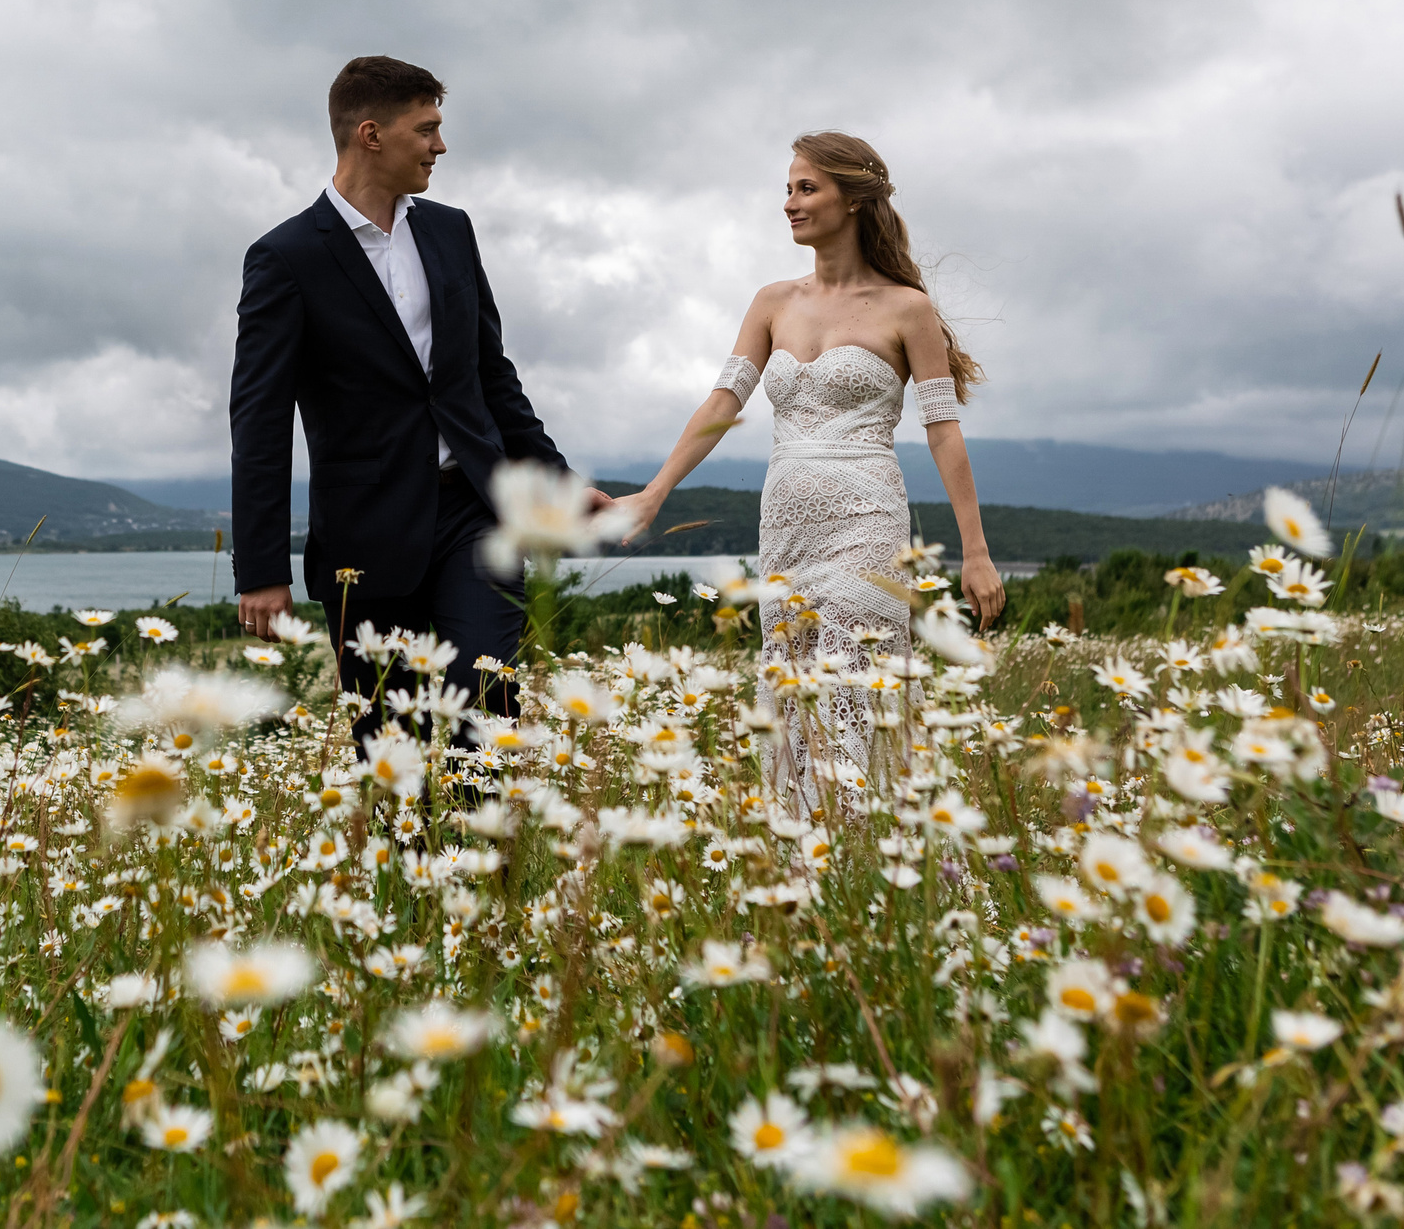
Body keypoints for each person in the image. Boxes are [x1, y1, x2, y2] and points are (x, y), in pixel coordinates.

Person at [609, 131, 1002, 818]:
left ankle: (870, 847)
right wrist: (655, 490)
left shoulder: (907, 308)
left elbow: (943, 432)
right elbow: (722, 402)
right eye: (788, 187)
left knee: (855, 690)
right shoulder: (771, 302)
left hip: (867, 522)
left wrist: (976, 550)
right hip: (786, 527)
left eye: (806, 187)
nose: (789, 201)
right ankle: (805, 867)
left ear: (853, 199)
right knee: (792, 697)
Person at [229, 55, 599, 747]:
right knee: (391, 748)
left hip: (474, 516)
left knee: (484, 720)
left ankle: (483, 851)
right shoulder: (284, 258)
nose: (441, 145)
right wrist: (262, 570)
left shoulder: (451, 229)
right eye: (426, 128)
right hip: (363, 539)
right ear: (371, 134)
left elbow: (491, 376)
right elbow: (260, 422)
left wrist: (556, 481)